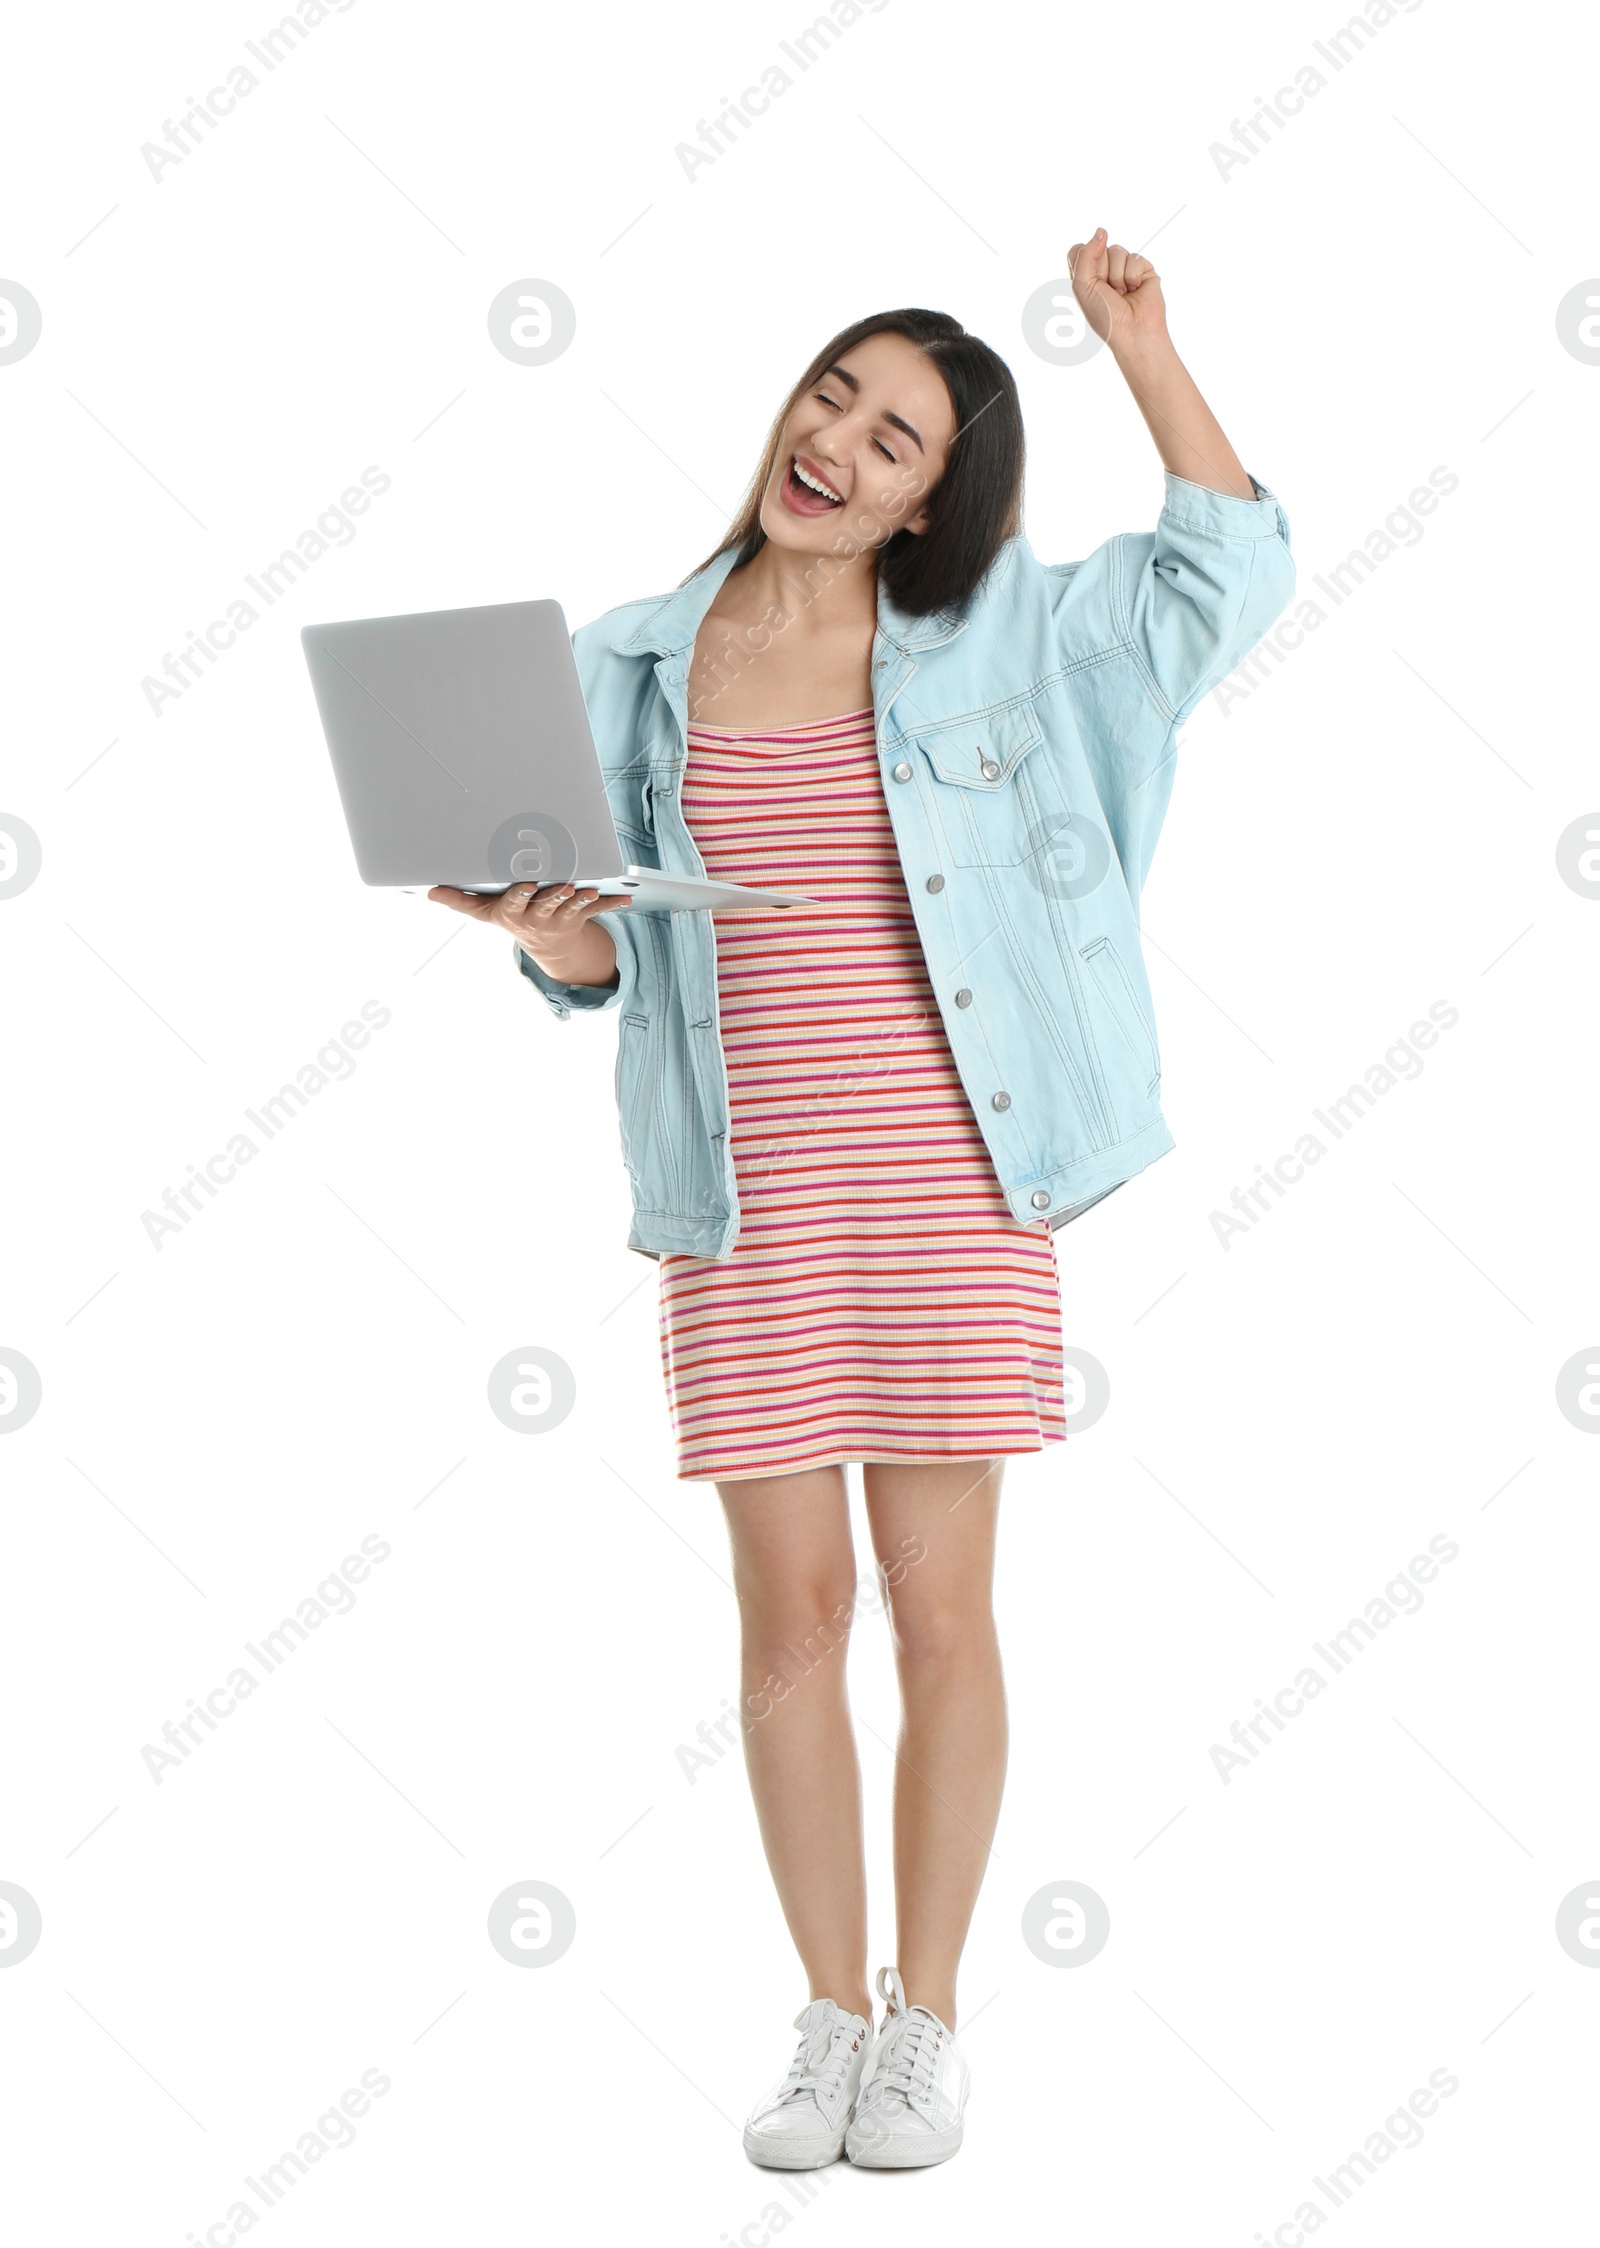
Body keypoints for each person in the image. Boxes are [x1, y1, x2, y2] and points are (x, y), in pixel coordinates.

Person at [432, 228, 1296, 2170]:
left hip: (945, 1188)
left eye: (893, 436)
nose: (837, 439)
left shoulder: (999, 634)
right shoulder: (620, 664)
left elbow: (1224, 573)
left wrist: (1145, 348)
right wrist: (552, 938)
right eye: (834, 393)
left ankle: (930, 2017)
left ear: (932, 495)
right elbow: (587, 978)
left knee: (939, 1609)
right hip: (741, 1205)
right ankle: (824, 2016)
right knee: (786, 1614)